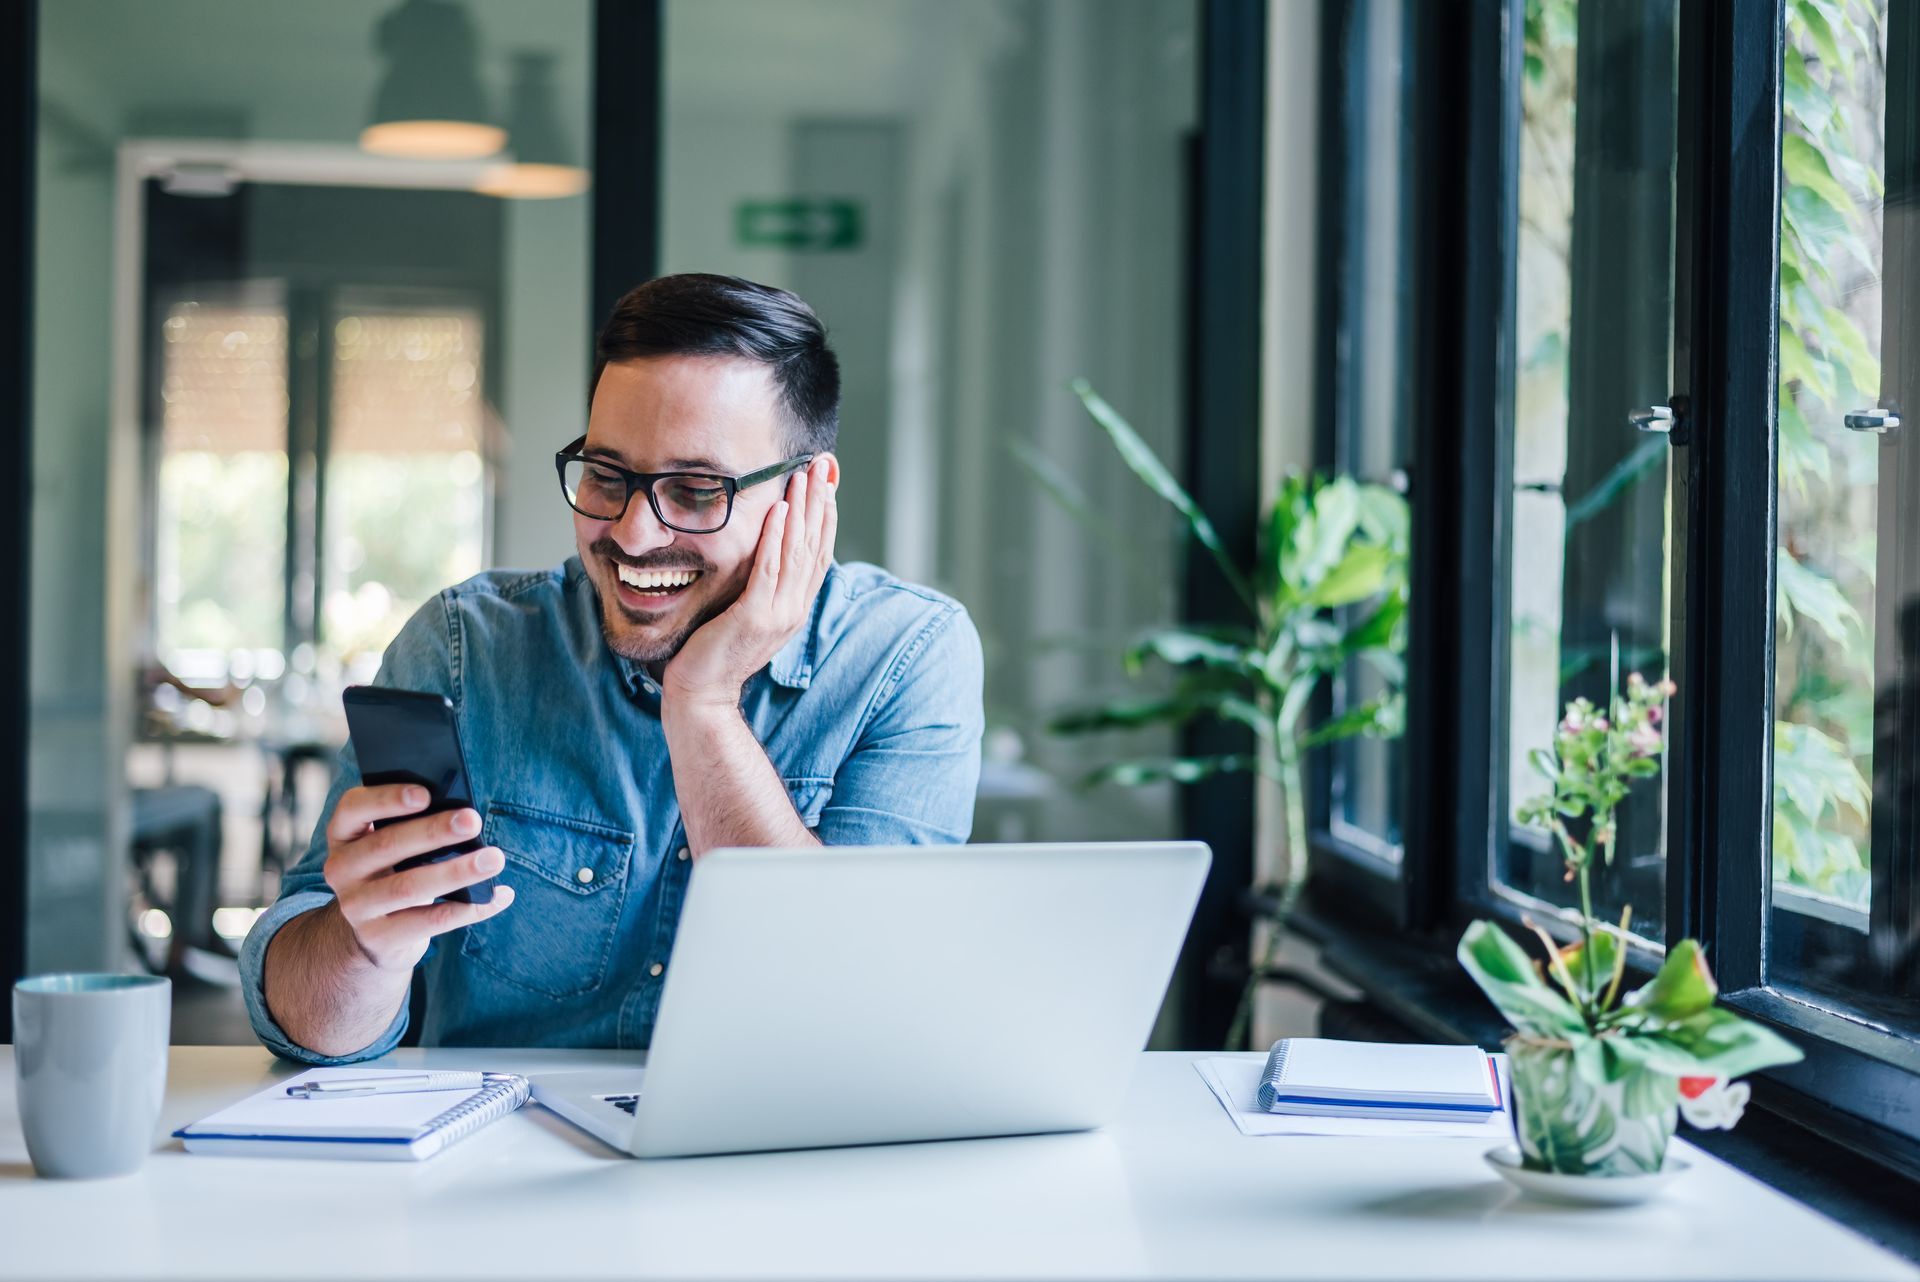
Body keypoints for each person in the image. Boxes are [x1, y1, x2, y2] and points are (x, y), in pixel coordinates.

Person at [240, 274, 984, 1062]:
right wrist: (366, 946)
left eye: (696, 491)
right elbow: (311, 1029)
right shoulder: (466, 651)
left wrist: (702, 703)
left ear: (806, 495)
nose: (631, 535)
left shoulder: (906, 658)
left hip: (781, 1167)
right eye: (607, 476)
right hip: (503, 1164)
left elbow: (855, 1000)